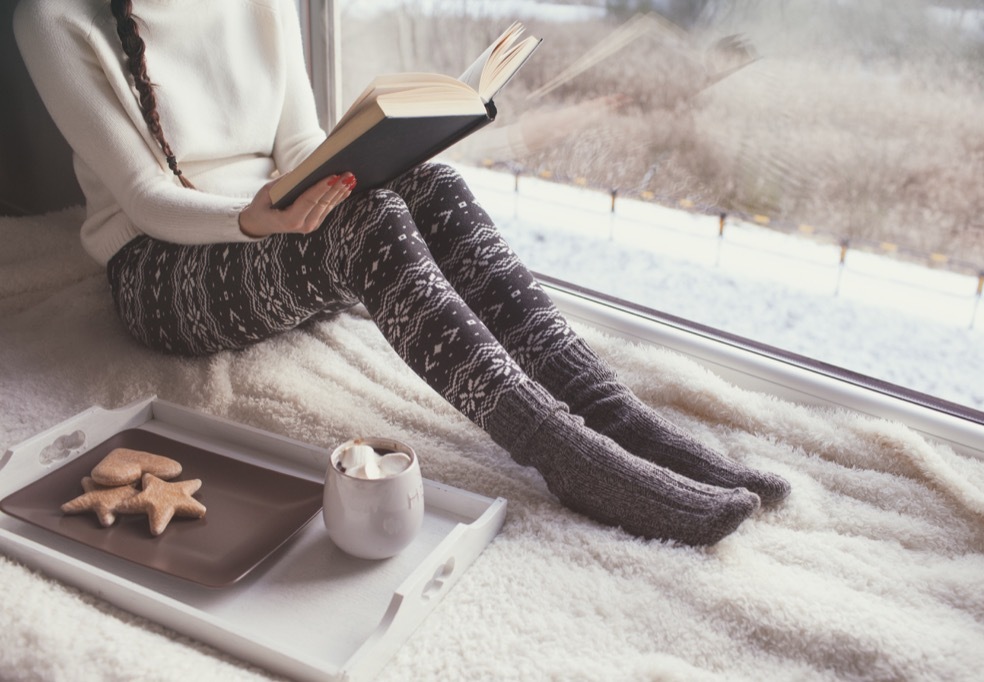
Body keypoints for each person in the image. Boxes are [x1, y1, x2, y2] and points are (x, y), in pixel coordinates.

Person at [14, 0, 789, 546]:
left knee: (435, 186)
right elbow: (146, 199)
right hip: (161, 269)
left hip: (274, 227)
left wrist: (363, 159)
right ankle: (560, 452)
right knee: (370, 221)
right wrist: (256, 219)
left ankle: (616, 418)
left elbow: (299, 143)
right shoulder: (52, 19)